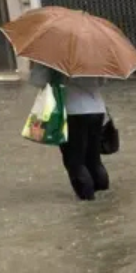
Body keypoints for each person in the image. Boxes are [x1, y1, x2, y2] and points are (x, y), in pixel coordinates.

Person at [29, 63, 109, 200]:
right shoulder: (93, 54)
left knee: (75, 161)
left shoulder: (53, 57)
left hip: (72, 111)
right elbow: (102, 81)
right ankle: (104, 197)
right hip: (97, 109)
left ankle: (87, 202)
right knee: (93, 158)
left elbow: (38, 81)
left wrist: (39, 66)